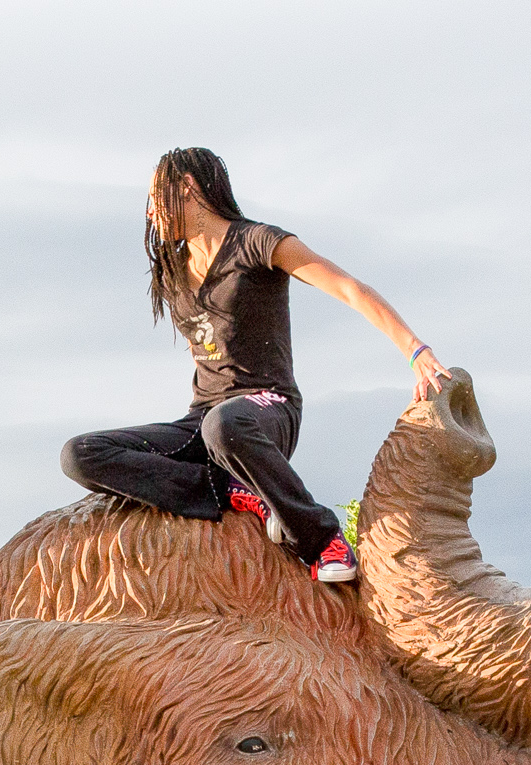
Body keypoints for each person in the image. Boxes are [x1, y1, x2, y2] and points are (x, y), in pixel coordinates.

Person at [61, 147, 451, 582]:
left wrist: (415, 351)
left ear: (188, 189)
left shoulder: (259, 243)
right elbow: (206, 353)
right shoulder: (173, 270)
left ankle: (322, 539)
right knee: (80, 454)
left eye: (156, 198)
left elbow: (349, 288)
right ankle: (227, 489)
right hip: (205, 421)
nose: (151, 213)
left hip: (265, 410)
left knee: (224, 424)